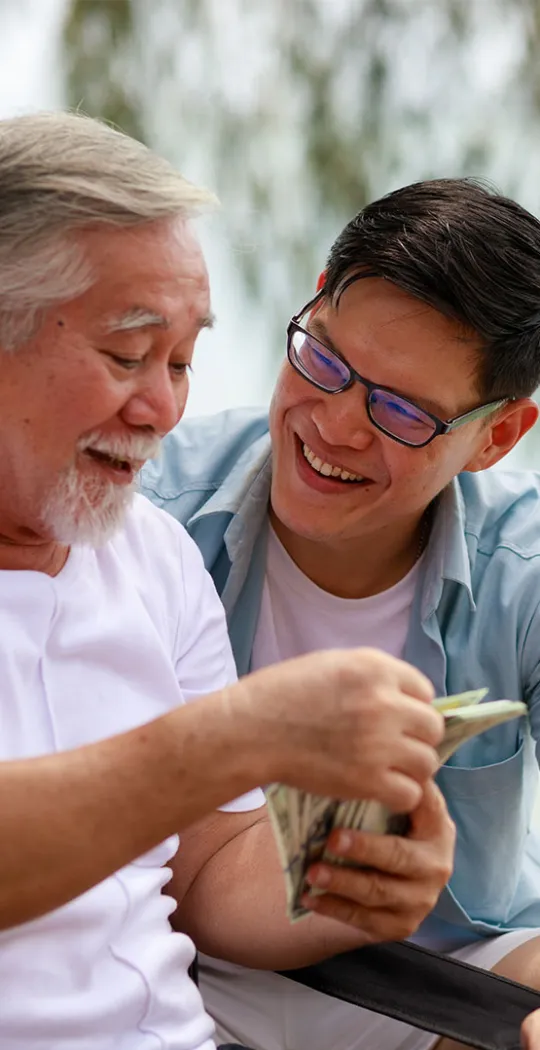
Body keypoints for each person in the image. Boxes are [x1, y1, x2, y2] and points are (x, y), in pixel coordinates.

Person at [0, 110, 458, 1050]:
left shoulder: (156, 559)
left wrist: (343, 875)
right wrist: (230, 739)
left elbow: (206, 869)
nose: (164, 408)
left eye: (182, 361)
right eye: (127, 356)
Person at [142, 178, 540, 1050]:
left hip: (440, 984)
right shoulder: (148, 514)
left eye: (402, 412)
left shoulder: (528, 571)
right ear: (317, 295)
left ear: (498, 437)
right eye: (322, 360)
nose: (336, 426)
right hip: (186, 968)